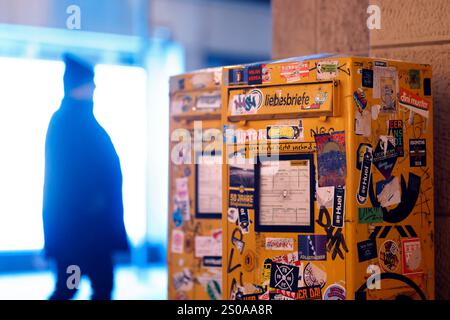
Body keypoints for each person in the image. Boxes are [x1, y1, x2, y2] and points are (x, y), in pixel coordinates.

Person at [43, 54, 129, 300]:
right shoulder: (70, 122)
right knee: (81, 286)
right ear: (78, 85)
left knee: (80, 286)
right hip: (83, 228)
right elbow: (70, 179)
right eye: (90, 82)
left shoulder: (73, 119)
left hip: (85, 227)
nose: (94, 87)